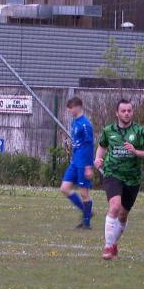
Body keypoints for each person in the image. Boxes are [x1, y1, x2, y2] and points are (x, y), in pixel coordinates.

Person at [94, 99, 144, 260]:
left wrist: (136, 152)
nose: (126, 113)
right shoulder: (109, 130)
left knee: (122, 215)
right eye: (123, 111)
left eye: (129, 111)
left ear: (132, 112)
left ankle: (113, 243)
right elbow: (102, 146)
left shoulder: (140, 131)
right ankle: (108, 247)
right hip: (112, 173)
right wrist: (97, 159)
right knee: (114, 206)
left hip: (132, 179)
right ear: (117, 113)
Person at [59, 97, 95, 229]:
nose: (69, 110)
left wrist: (88, 166)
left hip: (83, 163)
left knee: (84, 193)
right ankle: (88, 212)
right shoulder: (75, 122)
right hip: (75, 162)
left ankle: (86, 223)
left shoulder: (85, 125)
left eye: (70, 108)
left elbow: (89, 145)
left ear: (78, 107)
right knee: (64, 188)